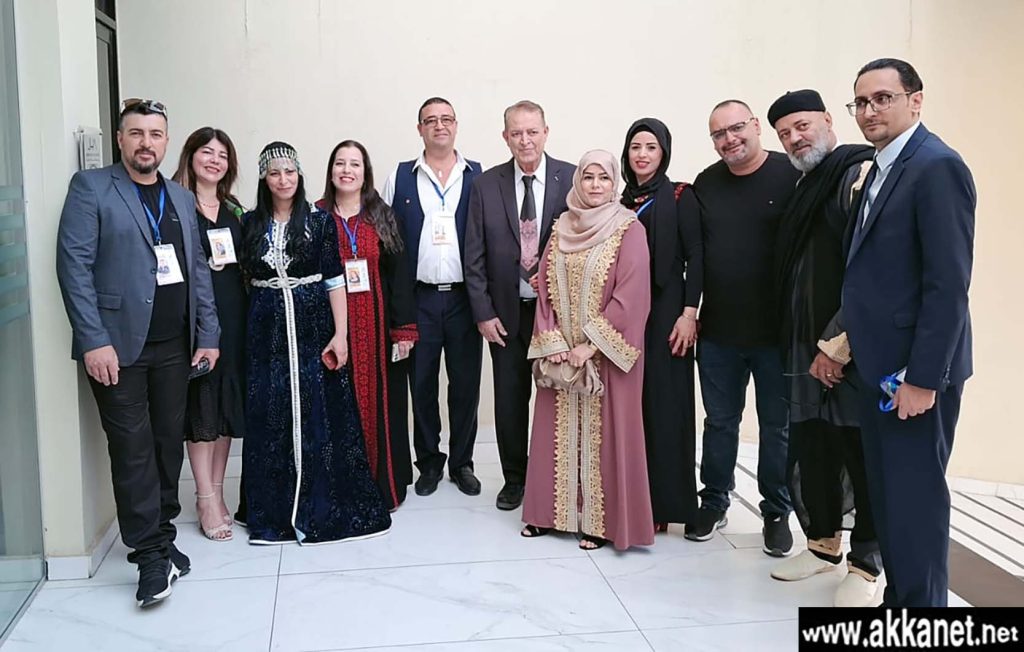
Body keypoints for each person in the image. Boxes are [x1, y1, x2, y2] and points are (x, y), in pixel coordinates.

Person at [56, 99, 220, 607]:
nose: (146, 143)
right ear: (120, 139)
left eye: (155, 134)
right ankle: (149, 555)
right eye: (136, 133)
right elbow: (73, 268)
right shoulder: (91, 188)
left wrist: (208, 334)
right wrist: (93, 340)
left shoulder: (180, 197)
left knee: (168, 444)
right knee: (132, 449)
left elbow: (197, 271)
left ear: (166, 141)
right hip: (117, 349)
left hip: (174, 347)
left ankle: (163, 535)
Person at [844, 59, 975, 607]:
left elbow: (947, 286)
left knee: (915, 505)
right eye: (861, 102)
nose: (869, 110)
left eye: (883, 98)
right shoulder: (879, 167)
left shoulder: (936, 166)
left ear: (915, 100)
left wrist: (923, 379)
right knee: (891, 503)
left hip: (913, 377)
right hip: (877, 369)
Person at [240, 141, 391, 545]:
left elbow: (334, 280)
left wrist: (340, 334)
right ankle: (272, 511)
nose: (283, 180)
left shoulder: (319, 221)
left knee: (318, 412)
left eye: (290, 172)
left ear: (300, 175)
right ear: (264, 179)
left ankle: (318, 505)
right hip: (267, 333)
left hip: (312, 327)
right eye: (274, 173)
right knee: (271, 414)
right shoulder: (250, 223)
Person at [765, 90, 881, 607]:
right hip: (802, 346)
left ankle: (866, 564)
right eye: (785, 133)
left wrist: (838, 344)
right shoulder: (805, 185)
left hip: (848, 347)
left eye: (803, 125)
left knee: (860, 453)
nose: (795, 138)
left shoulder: (857, 174)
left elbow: (870, 267)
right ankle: (821, 545)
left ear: (829, 121)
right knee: (813, 446)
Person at [520, 150, 653, 551]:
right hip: (562, 354)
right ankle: (547, 515)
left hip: (606, 354)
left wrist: (590, 345)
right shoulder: (561, 226)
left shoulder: (629, 228)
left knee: (609, 435)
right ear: (578, 181)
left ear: (615, 184)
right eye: (589, 177)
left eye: (604, 178)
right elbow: (544, 287)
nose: (596, 185)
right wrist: (553, 341)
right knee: (552, 430)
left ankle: (602, 523)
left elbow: (632, 295)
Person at [687, 100, 800, 556]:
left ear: (756, 126)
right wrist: (689, 310)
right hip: (719, 333)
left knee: (777, 428)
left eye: (736, 128)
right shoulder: (706, 183)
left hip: (777, 335)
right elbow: (695, 254)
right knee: (719, 423)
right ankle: (714, 500)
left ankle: (776, 511)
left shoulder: (791, 174)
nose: (729, 139)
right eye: (719, 134)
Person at [464, 100, 575, 510]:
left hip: (556, 317)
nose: (525, 140)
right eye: (516, 133)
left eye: (532, 131)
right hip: (504, 317)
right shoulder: (485, 185)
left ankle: (556, 479)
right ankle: (514, 479)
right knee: (510, 401)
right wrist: (483, 313)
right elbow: (472, 255)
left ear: (546, 132)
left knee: (557, 399)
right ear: (505, 137)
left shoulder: (572, 178)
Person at [382, 98, 484, 498]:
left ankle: (462, 463)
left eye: (446, 119)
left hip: (464, 299)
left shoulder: (478, 176)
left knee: (465, 385)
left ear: (456, 125)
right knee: (421, 384)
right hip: (418, 299)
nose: (439, 126)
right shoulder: (400, 177)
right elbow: (387, 242)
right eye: (430, 120)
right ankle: (428, 462)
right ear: (419, 128)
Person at [318, 140, 418, 510]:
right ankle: (338, 489)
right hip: (331, 331)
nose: (347, 170)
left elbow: (400, 276)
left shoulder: (383, 216)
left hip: (378, 331)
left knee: (383, 407)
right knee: (333, 408)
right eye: (340, 163)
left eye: (355, 164)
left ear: (365, 172)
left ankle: (382, 486)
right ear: (331, 171)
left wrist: (403, 330)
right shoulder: (316, 217)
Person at [619, 117, 701, 532]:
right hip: (626, 314)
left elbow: (697, 256)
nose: (643, 154)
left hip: (668, 314)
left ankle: (668, 505)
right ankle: (633, 501)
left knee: (666, 406)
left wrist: (689, 314)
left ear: (663, 152)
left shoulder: (681, 195)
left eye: (651, 147)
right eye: (636, 147)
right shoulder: (617, 201)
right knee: (632, 405)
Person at [172, 127, 247, 542]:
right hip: (196, 318)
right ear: (191, 156)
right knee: (202, 406)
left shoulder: (234, 208)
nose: (214, 160)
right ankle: (203, 497)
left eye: (222, 155)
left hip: (234, 313)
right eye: (207, 152)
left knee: (225, 408)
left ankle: (217, 492)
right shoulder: (175, 203)